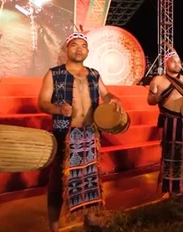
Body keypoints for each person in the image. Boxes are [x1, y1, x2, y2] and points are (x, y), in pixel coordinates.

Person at [38, 32, 124, 232]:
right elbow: (42, 102)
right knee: (59, 181)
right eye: (74, 45)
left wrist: (113, 98)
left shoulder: (94, 74)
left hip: (90, 134)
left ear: (88, 51)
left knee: (90, 177)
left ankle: (90, 218)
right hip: (65, 134)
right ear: (67, 49)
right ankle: (54, 225)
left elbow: (106, 93)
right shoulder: (54, 73)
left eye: (83, 45)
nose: (79, 49)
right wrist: (59, 109)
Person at [147, 46, 183, 197]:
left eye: (178, 61)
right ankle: (169, 188)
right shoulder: (158, 80)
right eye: (173, 61)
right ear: (166, 63)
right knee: (168, 154)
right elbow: (150, 100)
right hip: (167, 120)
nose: (177, 64)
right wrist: (156, 98)